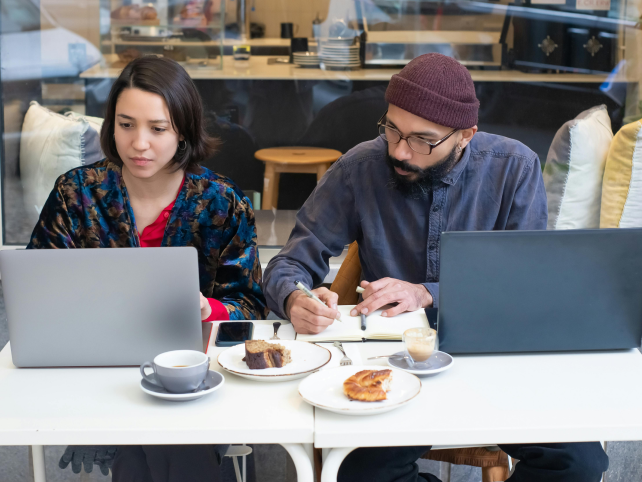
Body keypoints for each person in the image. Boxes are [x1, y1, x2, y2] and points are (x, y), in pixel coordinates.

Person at [262, 53, 609, 482]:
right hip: (390, 366)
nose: (401, 151)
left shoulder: (514, 168)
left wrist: (428, 292)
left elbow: (524, 287)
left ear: (465, 136)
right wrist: (296, 296)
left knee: (579, 463)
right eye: (392, 129)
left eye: (423, 140)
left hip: (492, 361)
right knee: (359, 471)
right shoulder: (361, 168)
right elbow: (289, 262)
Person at [28, 55, 268, 481]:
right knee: (168, 444)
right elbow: (35, 291)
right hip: (96, 367)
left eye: (157, 129)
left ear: (184, 130)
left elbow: (249, 305)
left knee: (145, 453)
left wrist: (206, 308)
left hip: (194, 373)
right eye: (125, 124)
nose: (139, 143)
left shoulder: (221, 201)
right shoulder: (76, 194)